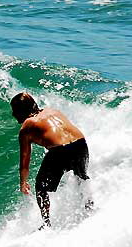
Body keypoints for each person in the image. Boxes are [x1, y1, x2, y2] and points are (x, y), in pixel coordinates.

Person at [10, 92, 92, 227]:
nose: (13, 114)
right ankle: (89, 207)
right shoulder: (52, 111)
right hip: (81, 144)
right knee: (81, 177)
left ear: (20, 110)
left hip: (61, 150)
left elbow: (25, 161)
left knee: (40, 187)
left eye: (14, 110)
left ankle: (47, 224)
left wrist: (23, 182)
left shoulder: (27, 125)